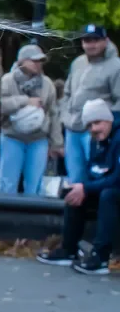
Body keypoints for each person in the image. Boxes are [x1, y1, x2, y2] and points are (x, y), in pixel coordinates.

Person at [38, 97, 119, 273]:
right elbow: (94, 170)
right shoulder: (96, 139)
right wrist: (80, 187)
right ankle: (69, 249)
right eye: (89, 126)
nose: (93, 129)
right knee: (75, 193)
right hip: (109, 186)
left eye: (97, 123)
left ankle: (101, 257)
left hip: (114, 190)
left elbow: (117, 177)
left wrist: (87, 187)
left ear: (108, 120)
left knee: (109, 195)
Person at [58, 22, 120, 182]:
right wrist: (65, 118)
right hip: (72, 129)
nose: (91, 44)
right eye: (87, 40)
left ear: (105, 40)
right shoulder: (77, 62)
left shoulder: (116, 66)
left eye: (95, 40)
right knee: (75, 178)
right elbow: (66, 94)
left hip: (96, 132)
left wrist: (107, 125)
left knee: (97, 176)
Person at [0, 40, 59, 195]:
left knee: (35, 186)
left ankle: (32, 212)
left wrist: (57, 143)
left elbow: (53, 114)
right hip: (12, 138)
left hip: (38, 140)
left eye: (41, 61)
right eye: (34, 60)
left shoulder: (47, 83)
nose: (38, 64)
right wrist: (25, 101)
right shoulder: (7, 80)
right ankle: (4, 210)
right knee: (7, 184)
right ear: (22, 61)